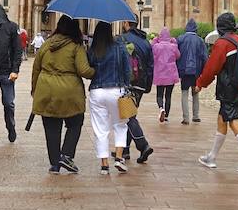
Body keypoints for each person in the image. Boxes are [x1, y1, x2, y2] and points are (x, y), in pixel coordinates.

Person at [195, 12, 238, 173]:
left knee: (233, 119)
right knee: (222, 119)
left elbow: (212, 67)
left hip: (229, 88)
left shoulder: (223, 43)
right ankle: (211, 157)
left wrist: (200, 83)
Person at [31, 15, 94, 174]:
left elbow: (36, 68)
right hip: (69, 92)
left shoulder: (46, 44)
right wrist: (96, 72)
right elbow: (84, 70)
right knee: (75, 122)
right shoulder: (76, 46)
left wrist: (35, 90)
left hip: (45, 91)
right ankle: (66, 154)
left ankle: (54, 164)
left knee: (51, 128)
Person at [86, 22, 132, 175]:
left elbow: (88, 69)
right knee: (120, 125)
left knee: (100, 129)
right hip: (116, 90)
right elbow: (127, 70)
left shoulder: (93, 49)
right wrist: (126, 85)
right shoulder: (119, 47)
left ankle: (104, 165)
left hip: (97, 91)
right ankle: (118, 157)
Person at [122, 25, 155, 163]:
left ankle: (143, 145)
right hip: (140, 84)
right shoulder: (145, 42)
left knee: (128, 116)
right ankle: (124, 150)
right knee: (129, 115)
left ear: (126, 23)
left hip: (127, 83)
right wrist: (148, 85)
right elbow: (151, 66)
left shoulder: (123, 39)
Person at [176, 18, 207, 124]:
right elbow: (204, 57)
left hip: (184, 70)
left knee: (184, 93)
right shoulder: (200, 40)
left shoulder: (180, 39)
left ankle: (186, 118)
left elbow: (176, 55)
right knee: (195, 93)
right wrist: (203, 71)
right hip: (196, 71)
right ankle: (196, 115)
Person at [151, 26, 179, 123]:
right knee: (168, 96)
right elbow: (178, 55)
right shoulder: (173, 46)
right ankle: (166, 115)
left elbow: (151, 53)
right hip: (171, 74)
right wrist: (174, 43)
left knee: (159, 94)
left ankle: (161, 108)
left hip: (160, 74)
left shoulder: (156, 46)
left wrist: (155, 41)